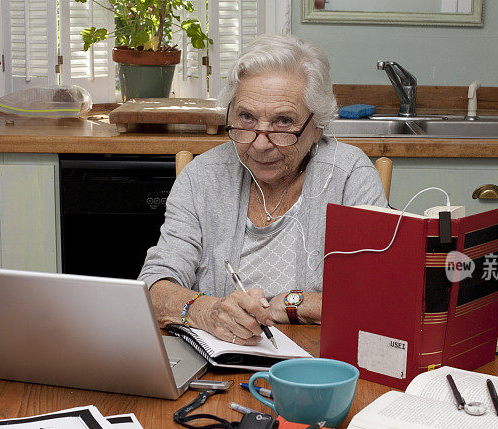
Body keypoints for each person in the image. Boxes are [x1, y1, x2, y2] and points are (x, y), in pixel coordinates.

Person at [139, 33, 388, 345]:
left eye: (283, 122)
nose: (259, 143)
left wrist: (290, 304)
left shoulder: (349, 175)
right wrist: (209, 310)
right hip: (222, 359)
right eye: (246, 117)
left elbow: (379, 296)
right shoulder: (201, 177)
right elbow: (154, 286)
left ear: (317, 126)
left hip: (319, 363)